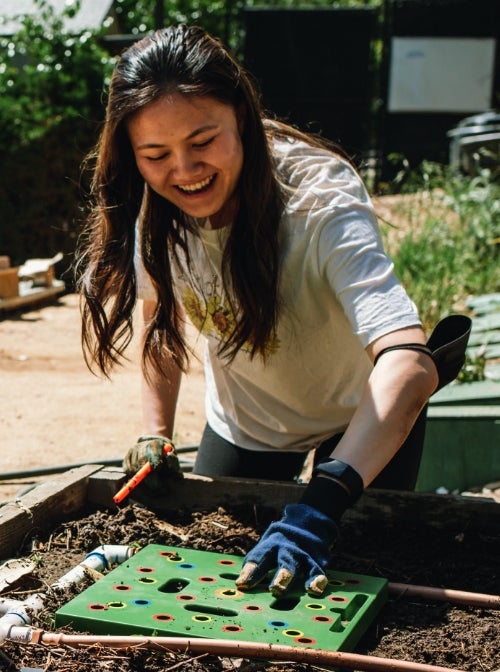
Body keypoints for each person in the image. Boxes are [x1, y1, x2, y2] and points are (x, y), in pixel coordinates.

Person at [76, 25, 470, 599]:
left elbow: (410, 366)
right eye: (156, 154)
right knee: (222, 577)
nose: (184, 170)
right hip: (249, 423)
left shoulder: (319, 199)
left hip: (362, 419)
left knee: (358, 577)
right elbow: (160, 315)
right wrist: (154, 433)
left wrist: (325, 501)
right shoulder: (155, 209)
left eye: (203, 140)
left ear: (241, 113)